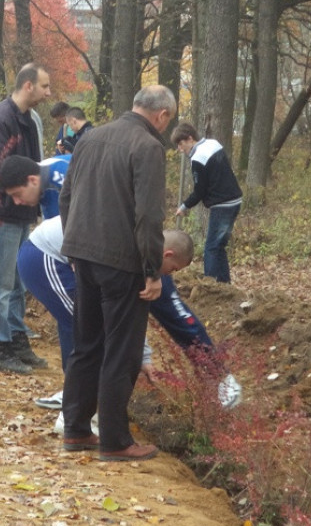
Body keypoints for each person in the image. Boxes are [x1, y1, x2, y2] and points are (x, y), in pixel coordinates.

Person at [19, 219, 242, 423]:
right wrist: (142, 355)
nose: (169, 276)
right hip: (44, 256)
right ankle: (76, 410)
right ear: (167, 254)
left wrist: (143, 356)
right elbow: (118, 315)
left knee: (94, 323)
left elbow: (134, 314)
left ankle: (220, 376)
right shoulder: (128, 253)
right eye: (173, 269)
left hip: (78, 255)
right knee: (88, 326)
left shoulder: (146, 253)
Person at [58, 84, 174, 462]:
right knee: (121, 351)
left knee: (86, 344)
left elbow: (66, 197)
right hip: (121, 263)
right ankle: (115, 440)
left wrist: (72, 244)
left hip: (83, 256)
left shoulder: (89, 138)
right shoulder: (149, 147)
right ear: (163, 116)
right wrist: (152, 270)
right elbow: (148, 215)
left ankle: (75, 429)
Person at [0, 63, 51, 374]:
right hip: (0, 211)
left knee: (17, 281)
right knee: (0, 281)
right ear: (28, 85)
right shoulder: (1, 118)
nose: (48, 93)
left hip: (22, 211)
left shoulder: (29, 120)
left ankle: (17, 339)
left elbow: (33, 166)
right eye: (44, 86)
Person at [172, 121, 243, 283]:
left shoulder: (198, 158)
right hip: (233, 199)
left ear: (190, 139)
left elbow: (200, 191)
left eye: (181, 144)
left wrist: (184, 206)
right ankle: (224, 285)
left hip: (223, 204)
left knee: (211, 248)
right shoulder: (213, 143)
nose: (180, 149)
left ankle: (210, 287)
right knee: (218, 246)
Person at [0, 153, 70, 220]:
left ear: (33, 180)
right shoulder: (40, 182)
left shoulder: (63, 178)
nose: (16, 202)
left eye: (18, 194)